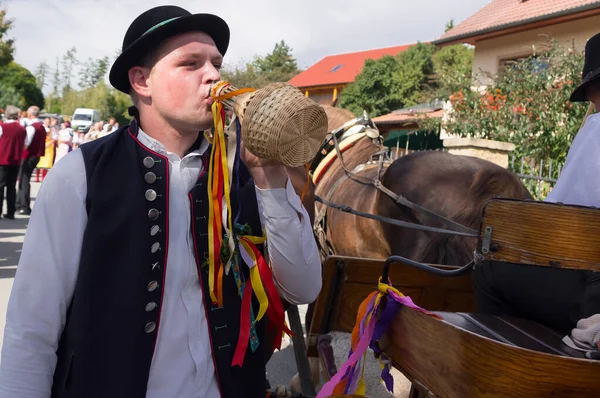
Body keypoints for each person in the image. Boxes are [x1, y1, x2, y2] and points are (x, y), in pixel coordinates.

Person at [0, 5, 322, 398]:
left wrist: (270, 181)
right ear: (142, 81)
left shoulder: (249, 171)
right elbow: (31, 330)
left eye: (216, 63)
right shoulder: (80, 176)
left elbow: (304, 289)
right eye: (191, 64)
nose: (215, 76)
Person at [473, 33, 600, 338]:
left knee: (487, 269)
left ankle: (510, 361)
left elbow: (559, 218)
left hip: (593, 295)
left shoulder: (596, 131)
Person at [16, 106, 46, 215]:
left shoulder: (32, 127)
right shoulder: (41, 126)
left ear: (30, 114)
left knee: (24, 179)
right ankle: (21, 203)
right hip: (36, 155)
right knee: (25, 178)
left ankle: (23, 205)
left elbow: (26, 144)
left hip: (29, 156)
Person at [0, 106, 27, 220]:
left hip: (2, 159)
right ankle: (11, 211)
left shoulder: (2, 127)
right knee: (11, 187)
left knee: (0, 187)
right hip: (16, 160)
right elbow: (25, 144)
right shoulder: (22, 129)